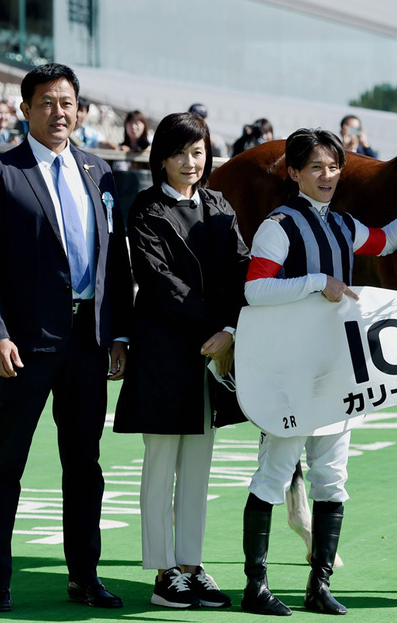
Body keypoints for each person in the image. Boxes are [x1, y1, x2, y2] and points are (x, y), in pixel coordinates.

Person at [240, 128, 397, 616]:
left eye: (333, 166)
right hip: (291, 372)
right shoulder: (279, 225)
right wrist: (317, 283)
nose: (327, 175)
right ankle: (256, 587)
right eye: (315, 167)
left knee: (332, 478)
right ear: (293, 173)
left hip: (336, 369)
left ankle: (319, 583)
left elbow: (386, 241)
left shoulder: (343, 224)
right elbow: (254, 291)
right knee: (273, 475)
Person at [0, 62, 133, 613]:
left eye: (67, 103)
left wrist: (118, 332)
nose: (58, 112)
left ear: (79, 109)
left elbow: (115, 261)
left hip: (89, 340)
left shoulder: (101, 172)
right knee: (6, 461)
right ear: (25, 109)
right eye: (46, 103)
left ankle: (84, 575)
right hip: (24, 344)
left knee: (84, 463)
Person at [113, 111, 249, 610]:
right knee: (161, 463)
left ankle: (191, 565)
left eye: (198, 151)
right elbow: (161, 283)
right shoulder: (146, 210)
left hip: (214, 351)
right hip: (165, 353)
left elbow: (241, 268)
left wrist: (231, 329)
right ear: (161, 158)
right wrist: (216, 329)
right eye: (178, 153)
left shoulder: (218, 205)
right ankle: (163, 571)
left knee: (199, 467)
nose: (190, 162)